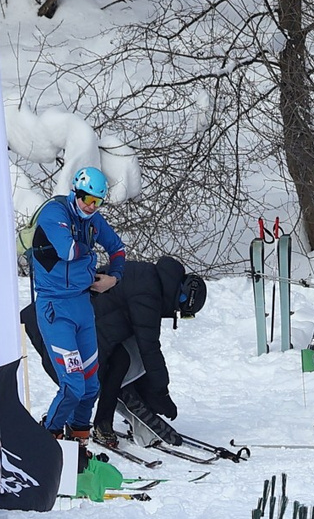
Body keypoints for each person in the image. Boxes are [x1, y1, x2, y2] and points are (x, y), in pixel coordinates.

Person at [28, 166, 128, 441]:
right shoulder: (54, 212)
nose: (90, 207)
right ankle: (49, 436)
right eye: (86, 199)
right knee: (73, 385)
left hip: (82, 306)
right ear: (75, 191)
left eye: (97, 202)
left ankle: (80, 439)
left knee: (91, 385)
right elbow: (68, 250)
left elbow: (118, 248)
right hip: (55, 308)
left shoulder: (95, 220)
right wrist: (91, 251)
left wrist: (114, 278)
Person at [95, 254, 205, 447]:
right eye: (180, 310)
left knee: (128, 357)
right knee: (119, 363)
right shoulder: (149, 293)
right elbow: (150, 348)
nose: (174, 313)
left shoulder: (152, 278)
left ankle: (137, 404)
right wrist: (161, 394)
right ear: (181, 296)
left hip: (94, 324)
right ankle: (102, 424)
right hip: (80, 327)